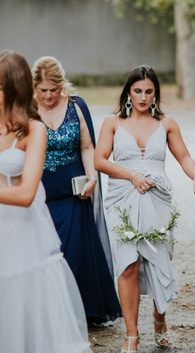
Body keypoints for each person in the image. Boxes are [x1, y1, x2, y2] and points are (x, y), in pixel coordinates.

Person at [95, 65, 195, 353]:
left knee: (158, 262)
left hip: (157, 200)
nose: (143, 97)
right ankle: (131, 335)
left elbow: (184, 156)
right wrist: (131, 175)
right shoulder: (113, 122)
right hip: (123, 198)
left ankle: (159, 316)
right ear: (128, 93)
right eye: (137, 91)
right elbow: (99, 160)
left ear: (156, 94)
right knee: (128, 265)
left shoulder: (167, 123)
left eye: (149, 91)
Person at [0, 50, 90, 352]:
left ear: (13, 88)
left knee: (25, 321)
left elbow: (26, 194)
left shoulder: (33, 129)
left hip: (22, 234)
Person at [32, 56, 121, 324]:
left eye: (54, 90)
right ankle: (47, 314)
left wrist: (92, 177)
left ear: (62, 85)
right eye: (43, 90)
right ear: (34, 87)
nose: (49, 96)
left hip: (74, 193)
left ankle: (79, 311)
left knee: (74, 253)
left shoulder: (76, 106)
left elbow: (86, 146)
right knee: (45, 255)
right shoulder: (26, 109)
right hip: (39, 195)